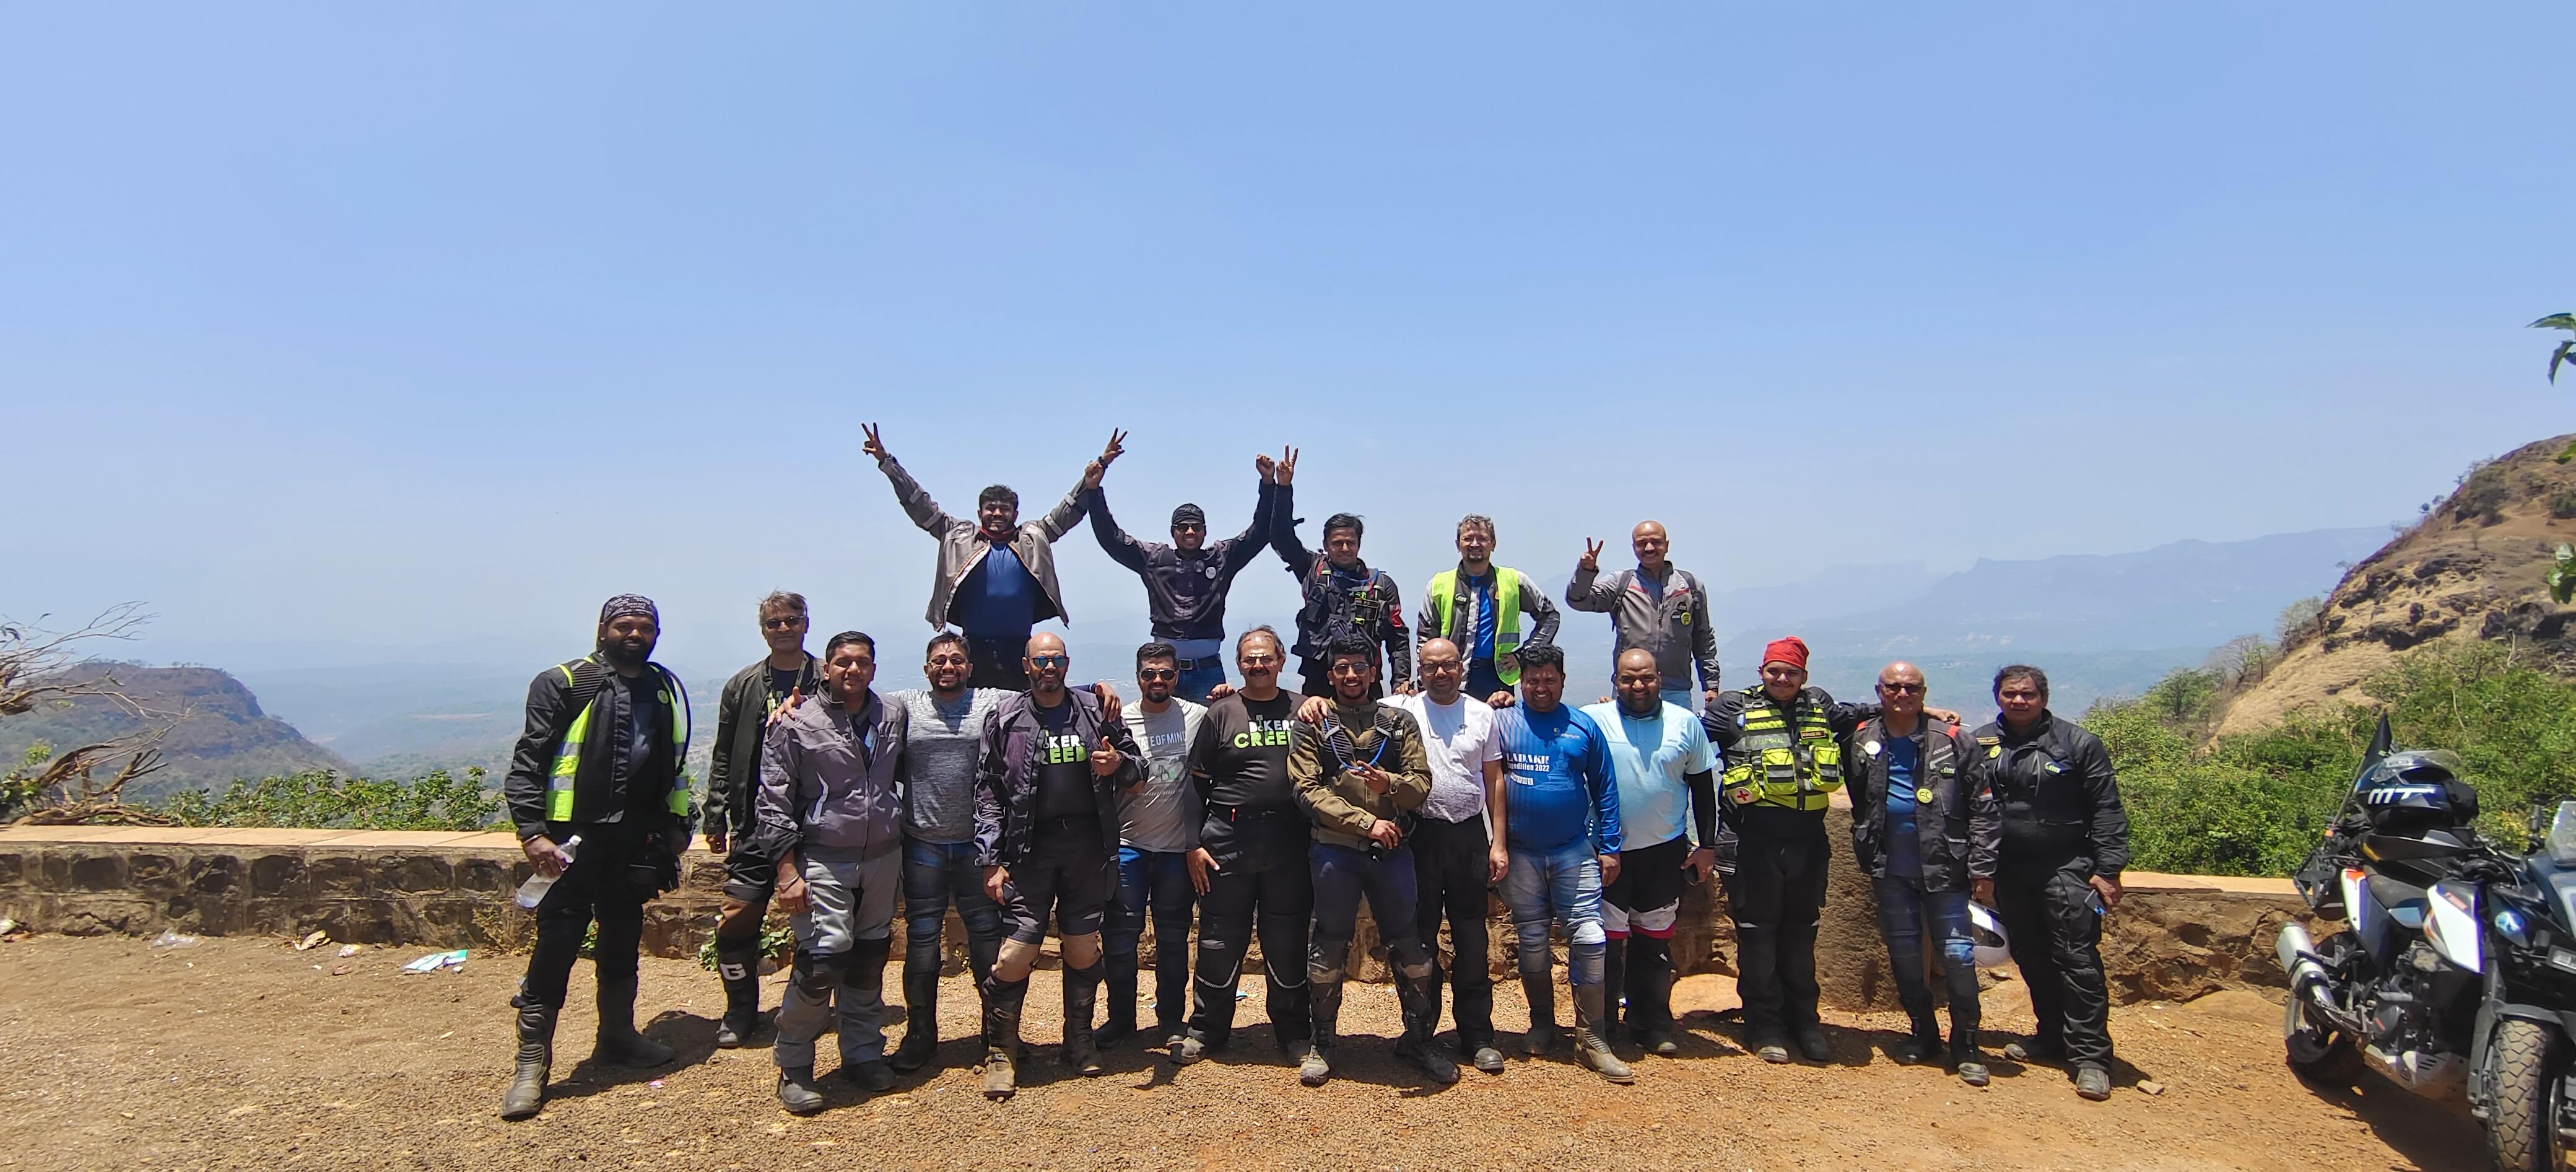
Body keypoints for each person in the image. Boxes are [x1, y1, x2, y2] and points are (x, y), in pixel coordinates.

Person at [1703, 637, 1956, 1065]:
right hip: (1753, 841)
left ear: (1804, 676)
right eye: (1774, 671)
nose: (1782, 679)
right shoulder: (1733, 709)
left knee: (1802, 933)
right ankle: (1764, 1025)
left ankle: (1805, 1022)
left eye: (1791, 672)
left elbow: (1868, 710)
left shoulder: (1819, 707)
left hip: (1808, 840)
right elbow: (1686, 736)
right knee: (1757, 934)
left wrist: (1925, 711)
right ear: (1762, 672)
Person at [497, 595, 693, 1121]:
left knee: (622, 939)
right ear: (603, 629)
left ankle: (618, 1037)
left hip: (635, 841)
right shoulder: (566, 682)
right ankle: (531, 1065)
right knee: (558, 942)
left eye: (645, 627)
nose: (635, 635)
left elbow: (671, 762)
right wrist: (532, 833)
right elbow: (530, 761)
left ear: (657, 634)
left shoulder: (661, 687)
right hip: (571, 841)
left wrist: (676, 826)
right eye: (624, 626)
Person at [970, 634, 1142, 1100]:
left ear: (1067, 664)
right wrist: (990, 860)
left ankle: (1079, 1039)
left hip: (1087, 849)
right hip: (1028, 852)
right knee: (1014, 955)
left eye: (1057, 659)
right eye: (1041, 660)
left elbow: (1138, 770)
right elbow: (987, 791)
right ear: (1026, 665)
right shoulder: (1005, 717)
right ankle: (1001, 1051)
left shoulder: (1094, 710)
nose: (1050, 667)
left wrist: (1118, 765)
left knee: (1083, 949)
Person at [754, 631, 907, 1113]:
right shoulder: (796, 721)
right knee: (823, 960)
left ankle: (862, 1055)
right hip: (821, 857)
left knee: (868, 958)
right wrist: (786, 872)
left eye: (862, 662)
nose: (852, 670)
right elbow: (773, 801)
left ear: (874, 668)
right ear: (826, 668)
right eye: (843, 662)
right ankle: (794, 1063)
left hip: (882, 857)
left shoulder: (892, 714)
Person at [1288, 634, 1451, 1086]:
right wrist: (1365, 822)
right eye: (1342, 668)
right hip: (1335, 851)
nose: (1351, 676)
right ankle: (1323, 1042)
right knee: (1328, 948)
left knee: (1411, 948)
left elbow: (1420, 784)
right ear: (1330, 674)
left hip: (1392, 852)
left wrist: (1389, 786)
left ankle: (1419, 1039)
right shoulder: (1313, 724)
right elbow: (1306, 790)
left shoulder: (1397, 723)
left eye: (1360, 667)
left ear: (1374, 671)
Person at [1969, 664, 2130, 1102]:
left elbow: (2107, 808)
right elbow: (1968, 807)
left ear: (2043, 697)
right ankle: (2052, 1036)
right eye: (2010, 694)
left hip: (2067, 865)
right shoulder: (1981, 743)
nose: (2019, 701)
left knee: (2077, 959)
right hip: (2009, 868)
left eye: (2028, 694)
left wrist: (2109, 869)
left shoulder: (2077, 744)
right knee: (2031, 955)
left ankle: (2091, 1059)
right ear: (1998, 697)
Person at [864, 421, 1123, 688]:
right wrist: (887, 463)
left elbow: (1068, 510)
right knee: (971, 710)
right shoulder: (957, 535)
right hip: (972, 647)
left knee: (1023, 708)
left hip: (1020, 647)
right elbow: (919, 504)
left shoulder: (1034, 536)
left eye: (1004, 509)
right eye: (991, 508)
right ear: (980, 513)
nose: (997, 514)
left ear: (1015, 514)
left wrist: (1099, 468)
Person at [1845, 662, 1998, 1087]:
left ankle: (1967, 1043)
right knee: (1905, 955)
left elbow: (1983, 808)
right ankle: (1923, 1032)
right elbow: (1860, 798)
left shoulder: (1953, 741)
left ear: (1924, 693)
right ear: (1880, 691)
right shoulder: (1863, 740)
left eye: (1911, 687)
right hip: (1889, 868)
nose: (1903, 694)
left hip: (1946, 867)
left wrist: (1983, 868)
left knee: (1958, 955)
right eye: (1894, 687)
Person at [1173, 627, 1313, 1065]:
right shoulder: (1222, 713)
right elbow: (1196, 785)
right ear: (1239, 664)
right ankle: (1206, 1030)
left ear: (1281, 661)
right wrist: (1192, 844)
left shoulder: (1302, 710)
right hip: (1228, 840)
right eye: (1250, 659)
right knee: (1219, 939)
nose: (1258, 665)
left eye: (1266, 658)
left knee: (1287, 941)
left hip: (1289, 842)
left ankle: (1294, 1032)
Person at [1492, 644, 1630, 1083]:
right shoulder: (1502, 721)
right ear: (1521, 682)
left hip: (1573, 849)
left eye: (1549, 679)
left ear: (1563, 680)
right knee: (1532, 940)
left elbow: (1605, 787)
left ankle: (1592, 1038)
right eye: (1532, 679)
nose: (1541, 687)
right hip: (1520, 852)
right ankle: (1542, 1025)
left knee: (1589, 936)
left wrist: (1610, 847)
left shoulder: (1582, 725)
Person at [1578, 649, 1719, 1059]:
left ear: (1660, 678)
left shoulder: (1685, 723)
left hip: (1663, 852)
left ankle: (1652, 1024)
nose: (1638, 686)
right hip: (1608, 852)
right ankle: (1602, 1027)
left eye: (1646, 678)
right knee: (1605, 947)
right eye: (1628, 679)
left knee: (1654, 947)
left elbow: (1703, 789)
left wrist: (1707, 845)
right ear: (1615, 681)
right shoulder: (1593, 720)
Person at [886, 633, 1008, 1074]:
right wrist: (795, 705)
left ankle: (996, 1035)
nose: (948, 667)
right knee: (921, 941)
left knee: (986, 940)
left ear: (970, 668)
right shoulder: (907, 704)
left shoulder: (990, 701)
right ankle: (920, 1035)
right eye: (939, 661)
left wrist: (1098, 689)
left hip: (977, 844)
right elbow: (854, 700)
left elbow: (1043, 691)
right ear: (926, 669)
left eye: (957, 660)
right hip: (923, 842)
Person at [705, 590, 822, 1049]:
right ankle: (740, 1008)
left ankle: (807, 1008)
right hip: (754, 822)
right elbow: (724, 752)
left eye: (792, 620)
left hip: (812, 819)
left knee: (818, 921)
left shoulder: (826, 678)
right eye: (774, 623)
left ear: (806, 624)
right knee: (738, 918)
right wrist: (716, 813)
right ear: (763, 630)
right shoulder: (742, 685)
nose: (784, 628)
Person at [1387, 638, 1508, 1074]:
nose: (1440, 673)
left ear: (1462, 667)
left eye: (1449, 665)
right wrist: (1313, 703)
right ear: (1419, 671)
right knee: (1419, 938)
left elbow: (1494, 779)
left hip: (1468, 836)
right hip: (1419, 836)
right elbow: (1349, 703)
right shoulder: (1402, 710)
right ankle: (1421, 1032)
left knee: (1472, 937)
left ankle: (1477, 1035)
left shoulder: (1482, 714)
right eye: (1431, 666)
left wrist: (1498, 842)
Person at [1087, 448, 1285, 702]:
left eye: (1196, 527)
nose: (1190, 532)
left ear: (1205, 531)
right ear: (1173, 532)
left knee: (1214, 726)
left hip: (1208, 670)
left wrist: (1267, 483)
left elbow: (1258, 533)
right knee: (1162, 727)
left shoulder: (1221, 558)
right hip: (1164, 671)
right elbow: (1112, 538)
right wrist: (1094, 491)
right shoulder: (1154, 559)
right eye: (1183, 527)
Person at [1101, 642, 1206, 1051]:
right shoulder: (1121, 720)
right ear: (1138, 677)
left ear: (1176, 677)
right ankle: (1120, 1019)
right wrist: (1096, 686)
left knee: (1174, 940)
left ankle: (1170, 1019)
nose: (1157, 680)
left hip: (1176, 849)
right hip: (1129, 844)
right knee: (1120, 938)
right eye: (1149, 674)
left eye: (1165, 673)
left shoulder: (1197, 717)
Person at [1565, 521, 1721, 712]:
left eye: (1656, 542)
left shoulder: (1690, 585)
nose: (1649, 548)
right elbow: (1578, 601)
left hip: (1676, 689)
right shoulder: (1621, 584)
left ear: (1667, 545)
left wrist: (1711, 685)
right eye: (1641, 543)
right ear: (1634, 548)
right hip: (1630, 688)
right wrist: (1585, 571)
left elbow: (1703, 638)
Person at [1417, 514, 1559, 707]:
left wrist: (1523, 656)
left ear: (1493, 544)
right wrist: (1424, 681)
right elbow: (1425, 636)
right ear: (1458, 544)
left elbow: (1550, 617)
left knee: (1497, 726)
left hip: (1498, 678)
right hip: (1450, 676)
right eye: (1468, 538)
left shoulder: (1514, 581)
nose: (1475, 544)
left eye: (1482, 538)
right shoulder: (1438, 585)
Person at [1273, 502, 1411, 699]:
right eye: (1337, 543)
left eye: (1350, 543)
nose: (1345, 549)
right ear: (1326, 545)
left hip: (1366, 684)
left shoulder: (1381, 585)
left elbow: (1398, 639)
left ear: (1359, 544)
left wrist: (1400, 680)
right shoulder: (1312, 569)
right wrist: (1283, 491)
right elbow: (1280, 537)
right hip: (1319, 685)